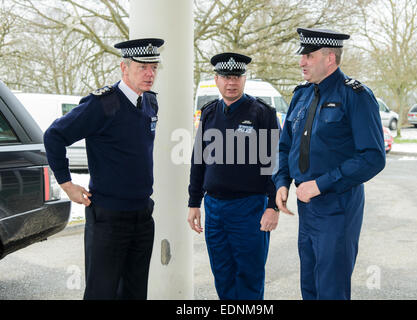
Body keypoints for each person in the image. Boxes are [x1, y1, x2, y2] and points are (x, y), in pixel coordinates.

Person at [43, 38, 164, 300]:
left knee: (134, 291)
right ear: (124, 68)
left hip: (142, 214)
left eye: (154, 67)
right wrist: (67, 184)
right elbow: (54, 135)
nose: (150, 73)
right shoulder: (103, 104)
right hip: (109, 217)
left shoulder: (150, 103)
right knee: (102, 292)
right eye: (143, 67)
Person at [272, 28, 386, 300]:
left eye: (308, 56)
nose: (302, 62)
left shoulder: (356, 96)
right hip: (306, 206)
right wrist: (281, 182)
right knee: (309, 286)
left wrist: (321, 185)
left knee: (331, 289)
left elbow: (373, 157)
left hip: (338, 206)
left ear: (330, 58)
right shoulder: (302, 95)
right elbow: (285, 145)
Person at [187, 52, 280, 300]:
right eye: (226, 77)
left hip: (249, 208)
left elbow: (274, 165)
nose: (231, 82)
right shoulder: (208, 113)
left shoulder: (262, 113)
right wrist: (194, 202)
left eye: (237, 76)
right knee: (223, 274)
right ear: (216, 80)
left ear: (244, 78)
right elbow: (199, 160)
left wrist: (273, 206)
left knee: (249, 276)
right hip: (215, 209)